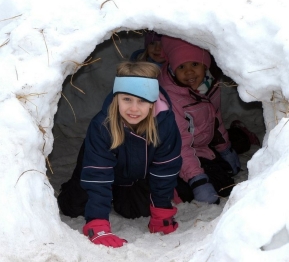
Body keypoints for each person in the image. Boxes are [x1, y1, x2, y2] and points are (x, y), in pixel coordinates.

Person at [57, 61, 182, 248]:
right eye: (127, 99)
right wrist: (97, 223)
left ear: (152, 102)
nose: (133, 108)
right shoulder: (102, 125)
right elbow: (98, 174)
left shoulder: (164, 124)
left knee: (137, 211)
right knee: (74, 207)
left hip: (131, 177)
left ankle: (115, 194)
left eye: (142, 101)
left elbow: (165, 170)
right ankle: (75, 187)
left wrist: (161, 213)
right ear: (117, 98)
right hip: (98, 169)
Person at [158, 35, 244, 204]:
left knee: (227, 170)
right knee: (218, 184)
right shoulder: (169, 98)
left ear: (205, 65)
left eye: (195, 64)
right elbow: (179, 143)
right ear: (173, 69)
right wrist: (197, 180)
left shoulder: (208, 84)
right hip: (175, 152)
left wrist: (225, 149)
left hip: (202, 144)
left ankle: (242, 135)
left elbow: (215, 119)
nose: (189, 72)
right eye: (181, 66)